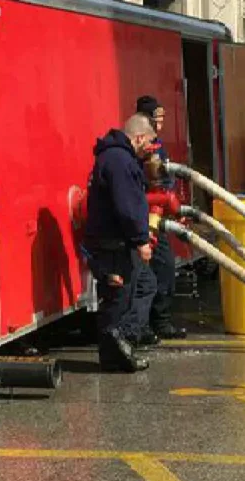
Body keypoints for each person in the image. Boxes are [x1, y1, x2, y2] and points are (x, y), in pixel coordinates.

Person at [82, 114, 159, 372]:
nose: (150, 149)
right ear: (139, 137)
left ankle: (115, 355)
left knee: (124, 295)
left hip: (111, 243)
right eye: (149, 142)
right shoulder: (120, 161)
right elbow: (127, 207)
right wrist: (141, 240)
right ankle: (119, 346)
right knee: (121, 298)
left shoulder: (114, 157)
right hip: (114, 245)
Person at [130, 95, 188, 345]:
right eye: (158, 119)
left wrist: (175, 207)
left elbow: (164, 183)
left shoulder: (156, 147)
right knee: (143, 279)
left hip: (157, 215)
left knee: (164, 269)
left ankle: (160, 322)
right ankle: (139, 328)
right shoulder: (136, 152)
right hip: (142, 219)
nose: (161, 125)